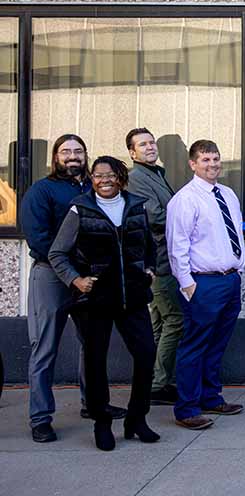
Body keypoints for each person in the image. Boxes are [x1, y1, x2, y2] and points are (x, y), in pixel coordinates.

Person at [48, 156, 159, 451]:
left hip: (133, 297)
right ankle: (102, 422)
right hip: (94, 300)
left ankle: (136, 418)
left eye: (110, 175)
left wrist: (149, 269)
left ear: (120, 177)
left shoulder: (136, 205)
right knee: (96, 362)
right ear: (91, 179)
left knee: (147, 355)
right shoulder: (80, 208)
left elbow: (149, 245)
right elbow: (57, 253)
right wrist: (76, 280)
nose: (104, 180)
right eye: (97, 176)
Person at [21, 134, 125, 443]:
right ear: (55, 157)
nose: (72, 157)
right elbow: (38, 239)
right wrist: (70, 274)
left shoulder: (92, 190)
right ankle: (40, 418)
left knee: (91, 345)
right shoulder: (41, 190)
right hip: (51, 278)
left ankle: (92, 404)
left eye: (78, 151)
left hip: (89, 281)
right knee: (45, 348)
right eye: (65, 152)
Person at [166, 140, 245, 430]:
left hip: (229, 280)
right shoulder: (185, 199)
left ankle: (211, 397)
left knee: (217, 345)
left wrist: (239, 271)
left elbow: (232, 232)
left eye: (215, 159)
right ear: (192, 164)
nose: (212, 165)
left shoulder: (227, 194)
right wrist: (188, 286)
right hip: (203, 284)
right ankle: (187, 409)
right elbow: (177, 246)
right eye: (205, 160)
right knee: (194, 346)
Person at [126, 128, 182, 406]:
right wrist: (187, 214)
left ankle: (154, 381)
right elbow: (156, 216)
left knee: (159, 323)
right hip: (158, 262)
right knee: (175, 319)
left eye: (151, 143)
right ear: (132, 152)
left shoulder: (156, 174)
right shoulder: (136, 178)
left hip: (165, 258)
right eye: (143, 144)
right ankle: (160, 384)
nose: (149, 148)